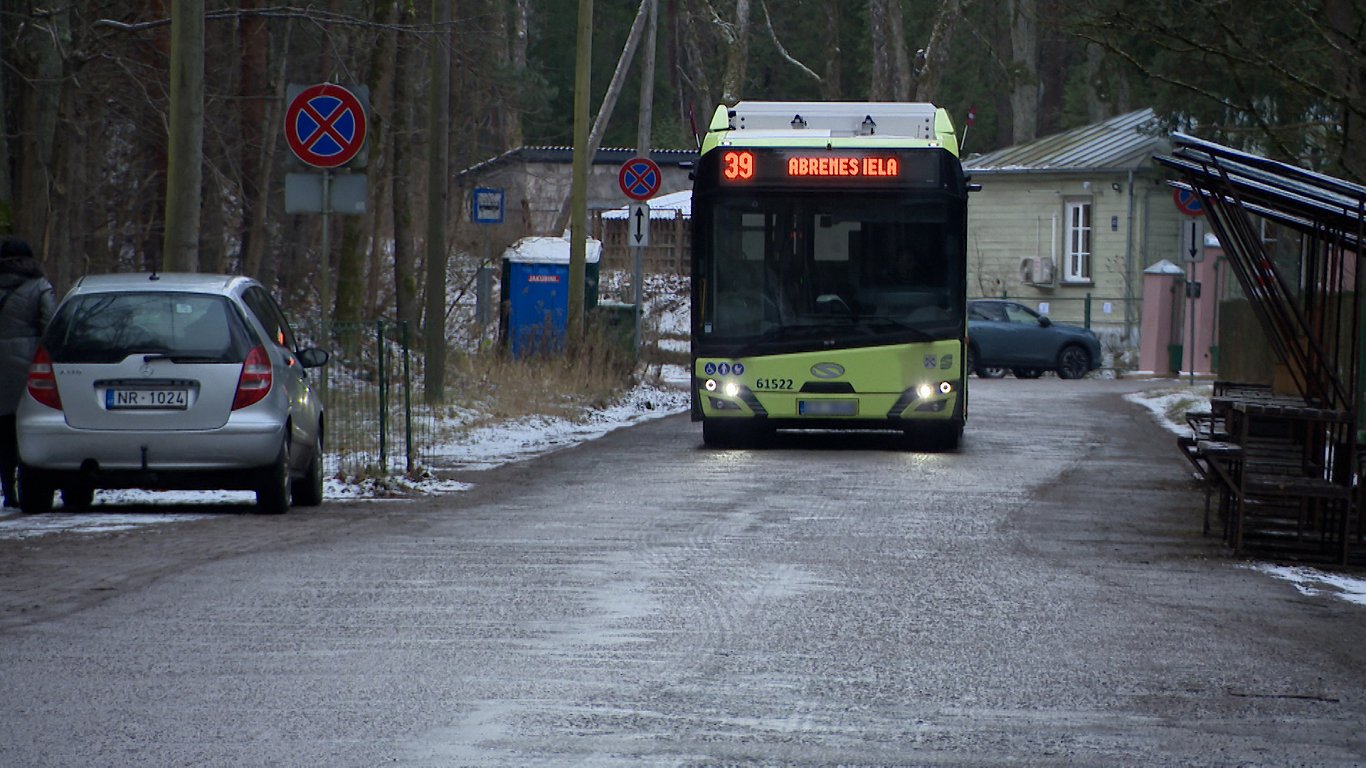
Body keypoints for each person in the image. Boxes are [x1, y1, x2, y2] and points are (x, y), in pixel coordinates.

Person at [0, 237, 56, 508]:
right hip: (26, 366)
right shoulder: (39, 286)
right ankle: (26, 484)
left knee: (3, 432)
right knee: (25, 427)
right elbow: (49, 325)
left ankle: (6, 488)